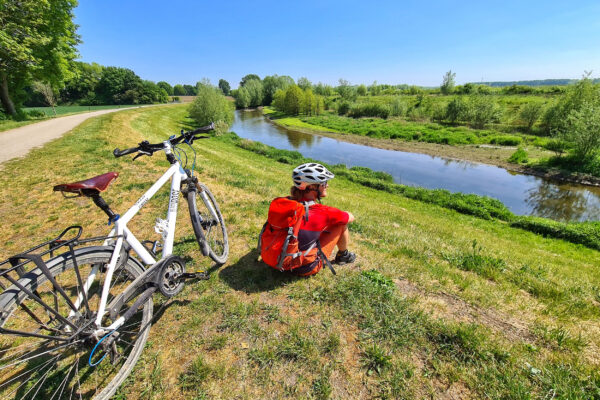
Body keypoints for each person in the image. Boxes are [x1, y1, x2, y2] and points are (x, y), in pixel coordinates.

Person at [289, 163, 356, 276]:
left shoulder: (287, 202)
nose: (327, 186)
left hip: (277, 259)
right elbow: (350, 217)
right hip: (303, 267)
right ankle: (343, 256)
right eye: (324, 183)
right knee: (340, 224)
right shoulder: (322, 211)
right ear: (311, 187)